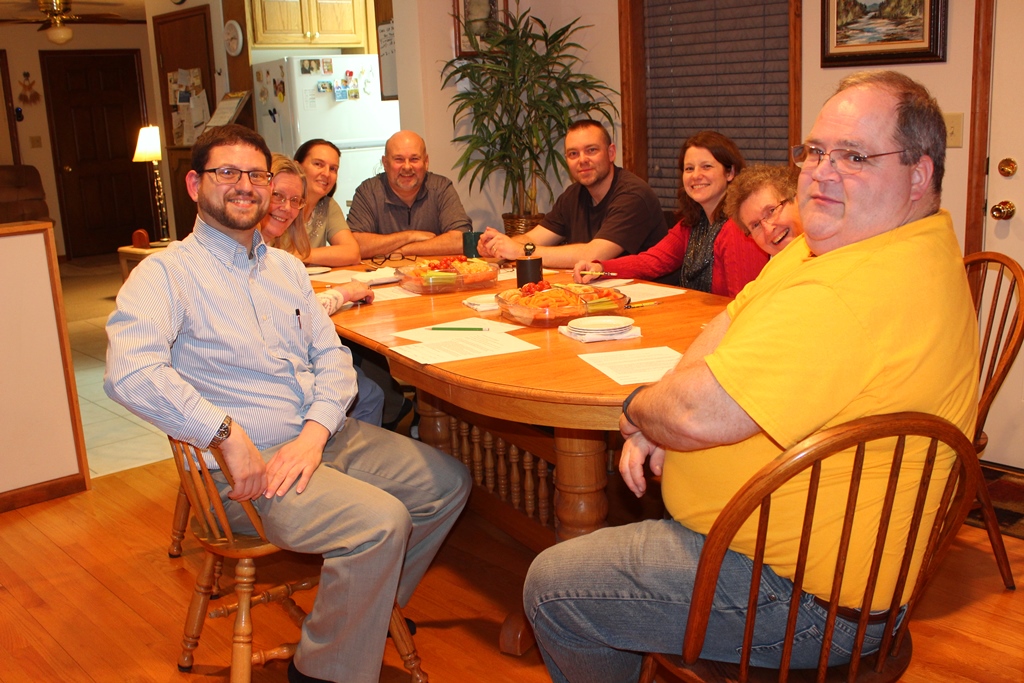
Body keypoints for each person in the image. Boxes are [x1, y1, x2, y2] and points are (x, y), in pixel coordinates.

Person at [522, 70, 979, 682]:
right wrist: (665, 417)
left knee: (554, 586)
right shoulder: (839, 241)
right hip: (774, 552)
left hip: (802, 601)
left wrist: (639, 411)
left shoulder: (855, 288)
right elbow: (731, 319)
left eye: (854, 156)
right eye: (815, 151)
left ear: (920, 173)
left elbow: (692, 415)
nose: (821, 172)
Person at [104, 124, 471, 683]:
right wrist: (226, 435)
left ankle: (360, 611)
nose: (245, 186)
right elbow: (131, 371)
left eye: (255, 174)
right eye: (227, 173)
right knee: (381, 522)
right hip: (247, 471)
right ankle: (326, 670)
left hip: (317, 439)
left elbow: (333, 360)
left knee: (446, 484)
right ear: (194, 184)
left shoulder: (287, 269)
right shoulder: (166, 275)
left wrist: (315, 434)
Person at [260, 153, 386, 427]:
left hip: (288, 358)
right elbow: (296, 318)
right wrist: (343, 293)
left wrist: (343, 293)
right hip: (276, 376)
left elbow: (303, 311)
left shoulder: (277, 255)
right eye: (277, 196)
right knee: (371, 393)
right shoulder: (253, 254)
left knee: (367, 384)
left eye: (295, 201)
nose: (286, 208)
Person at [572, 131, 767, 297]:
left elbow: (745, 305)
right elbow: (651, 262)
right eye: (689, 168)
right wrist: (601, 268)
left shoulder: (738, 228)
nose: (696, 175)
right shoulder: (692, 224)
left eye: (706, 166)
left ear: (730, 173)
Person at [477, 119, 668, 268]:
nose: (582, 160)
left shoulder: (633, 195)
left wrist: (520, 251)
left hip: (650, 299)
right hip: (596, 292)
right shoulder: (573, 195)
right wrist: (499, 245)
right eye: (573, 154)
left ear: (611, 153)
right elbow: (533, 239)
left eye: (591, 150)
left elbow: (593, 255)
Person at [346, 130, 472, 258]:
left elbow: (461, 239)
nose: (407, 167)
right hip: (381, 275)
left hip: (432, 275)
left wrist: (404, 250)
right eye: (399, 159)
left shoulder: (440, 188)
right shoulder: (368, 192)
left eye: (414, 159)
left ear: (426, 162)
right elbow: (353, 245)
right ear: (385, 163)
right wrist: (410, 236)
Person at [293, 139, 362, 267]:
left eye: (333, 169)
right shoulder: (279, 205)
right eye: (318, 164)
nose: (326, 174)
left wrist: (299, 255)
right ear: (298, 167)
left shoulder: (328, 205)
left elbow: (352, 253)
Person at [722, 163, 803, 257]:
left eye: (771, 211)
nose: (768, 230)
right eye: (756, 225)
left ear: (797, 199)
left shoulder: (823, 259)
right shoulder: (772, 270)